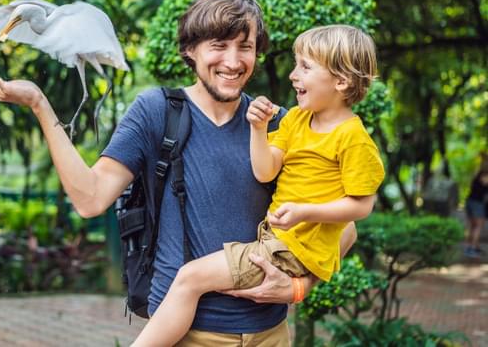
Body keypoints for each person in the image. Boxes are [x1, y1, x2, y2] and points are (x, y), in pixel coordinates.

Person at [0, 0, 358, 346]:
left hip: (270, 335)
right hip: (187, 335)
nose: (233, 61)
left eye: (246, 47)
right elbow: (90, 199)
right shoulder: (157, 112)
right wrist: (40, 104)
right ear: (190, 50)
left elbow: (345, 228)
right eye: (218, 46)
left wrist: (297, 287)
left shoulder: (278, 123)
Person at [131, 25, 385, 347]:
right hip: (275, 242)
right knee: (191, 279)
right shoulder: (295, 120)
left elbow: (362, 207)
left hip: (289, 251)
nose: (294, 75)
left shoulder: (353, 139)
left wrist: (305, 212)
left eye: (305, 67)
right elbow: (265, 171)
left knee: (189, 278)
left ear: (341, 80)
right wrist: (258, 128)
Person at [465, 154, 488, 258]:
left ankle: (472, 246)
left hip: (471, 201)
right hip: (476, 203)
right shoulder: (484, 175)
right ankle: (472, 248)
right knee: (478, 226)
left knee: (473, 226)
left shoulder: (477, 173)